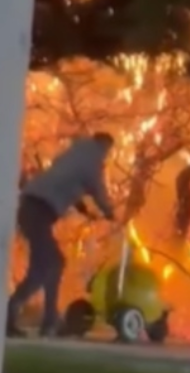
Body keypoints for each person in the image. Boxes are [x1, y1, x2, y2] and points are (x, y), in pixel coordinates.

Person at [7, 132, 116, 337]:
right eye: (108, 150)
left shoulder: (74, 153)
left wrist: (81, 207)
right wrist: (110, 212)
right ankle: (45, 321)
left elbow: (65, 179)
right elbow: (97, 188)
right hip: (37, 211)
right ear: (104, 145)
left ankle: (40, 319)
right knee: (54, 263)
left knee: (43, 268)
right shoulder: (93, 159)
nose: (107, 155)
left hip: (30, 207)